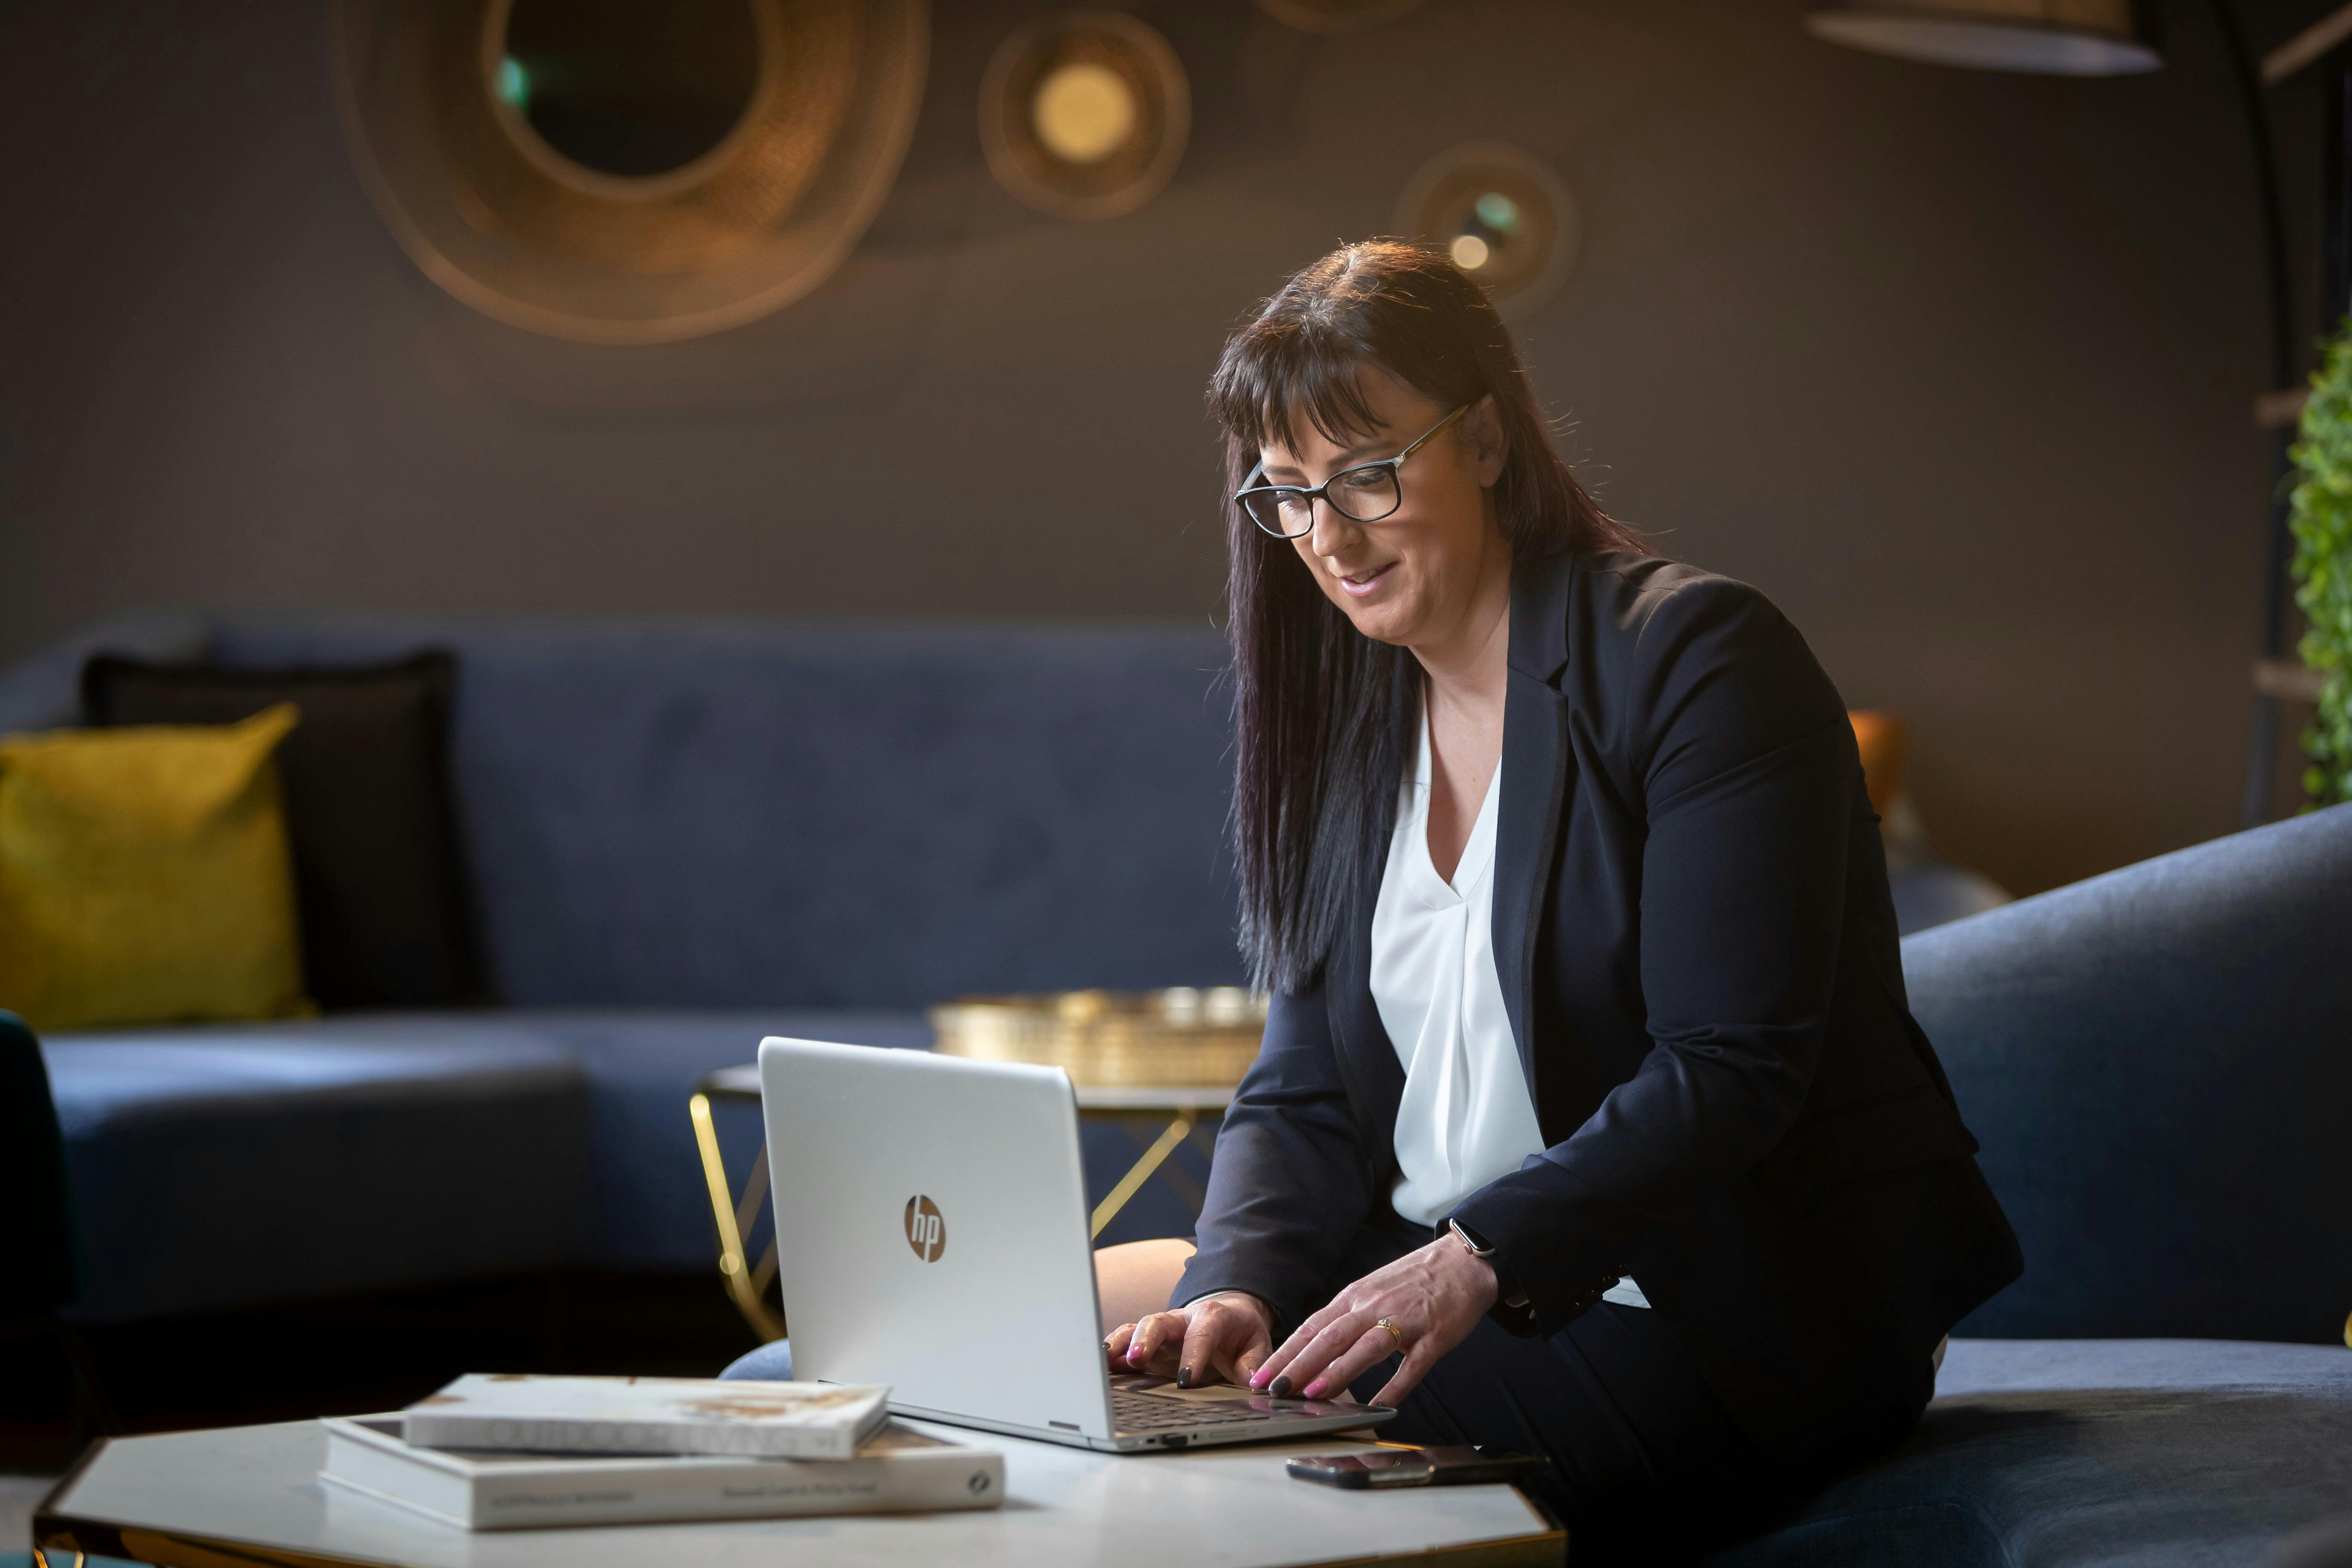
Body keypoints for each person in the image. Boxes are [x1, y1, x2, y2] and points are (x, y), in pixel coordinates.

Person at [1096, 241, 2021, 1558]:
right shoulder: (1359, 721)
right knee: (987, 1358)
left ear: (1483, 441)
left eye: (1366, 474)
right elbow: (1302, 1085)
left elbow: (1731, 1066)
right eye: (1288, 495)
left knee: (1162, 1460)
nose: (1329, 539)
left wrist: (1473, 1258)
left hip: (1705, 1313)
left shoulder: (1699, 661)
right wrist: (1236, 1283)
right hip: (1416, 1260)